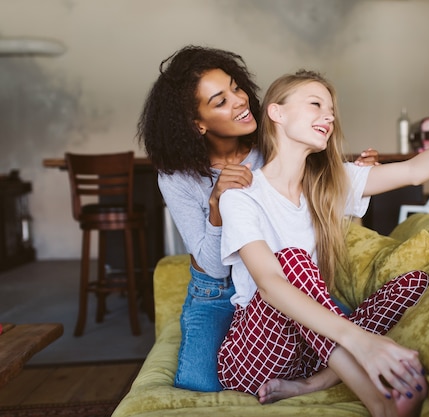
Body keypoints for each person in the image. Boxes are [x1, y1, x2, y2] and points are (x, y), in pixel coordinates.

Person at [217, 70, 429, 416]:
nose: (329, 116)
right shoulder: (241, 195)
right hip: (254, 356)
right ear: (277, 113)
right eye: (316, 104)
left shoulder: (330, 182)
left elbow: (415, 171)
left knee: (414, 282)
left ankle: (313, 383)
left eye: (331, 109)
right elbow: (270, 284)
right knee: (292, 261)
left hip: (311, 353)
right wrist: (361, 341)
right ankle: (382, 405)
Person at [137, 45, 380, 393]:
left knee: (361, 326)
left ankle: (310, 380)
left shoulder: (271, 148)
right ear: (197, 124)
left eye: (236, 87)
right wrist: (217, 201)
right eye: (220, 101)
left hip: (278, 283)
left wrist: (353, 175)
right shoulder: (176, 177)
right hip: (217, 293)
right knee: (198, 382)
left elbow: (314, 193)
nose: (239, 101)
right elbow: (215, 266)